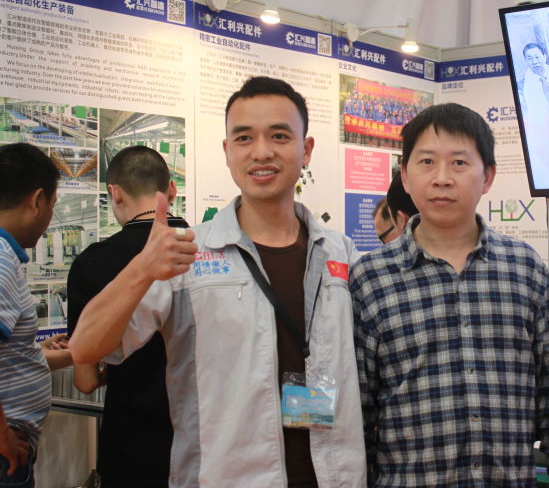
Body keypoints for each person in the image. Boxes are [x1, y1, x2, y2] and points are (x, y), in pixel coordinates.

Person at [71, 77, 367, 487]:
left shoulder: (341, 253)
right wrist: (141, 270)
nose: (261, 152)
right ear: (227, 151)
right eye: (244, 138)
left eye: (279, 136)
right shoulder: (188, 254)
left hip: (335, 475)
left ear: (307, 149)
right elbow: (86, 349)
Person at [351, 103, 549, 487]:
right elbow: (358, 414)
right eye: (427, 162)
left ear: (488, 176)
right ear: (406, 177)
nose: (442, 178)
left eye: (459, 163)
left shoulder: (524, 269)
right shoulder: (370, 278)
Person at [66, 146, 188, 488]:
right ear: (172, 190)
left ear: (114, 193)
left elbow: (85, 380)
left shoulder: (93, 262)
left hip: (133, 446)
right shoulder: (205, 250)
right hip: (203, 441)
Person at [0, 143, 72, 487]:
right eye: (53, 206)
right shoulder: (1, 260)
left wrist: (34, 351)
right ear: (37, 200)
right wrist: (2, 437)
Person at [520, 43, 549, 188]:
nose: (535, 61)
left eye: (537, 57)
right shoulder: (522, 85)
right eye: (530, 58)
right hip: (542, 130)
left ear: (544, 57)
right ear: (526, 61)